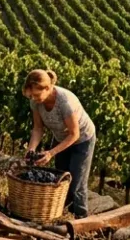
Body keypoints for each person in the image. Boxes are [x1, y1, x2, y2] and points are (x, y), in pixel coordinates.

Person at [24, 69, 96, 218]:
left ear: (47, 88)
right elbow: (38, 129)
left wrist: (51, 153)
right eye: (31, 96)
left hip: (82, 139)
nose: (33, 99)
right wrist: (31, 149)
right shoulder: (35, 103)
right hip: (61, 137)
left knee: (76, 183)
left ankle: (81, 219)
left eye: (36, 95)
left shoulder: (64, 102)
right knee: (61, 178)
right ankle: (62, 215)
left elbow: (74, 134)